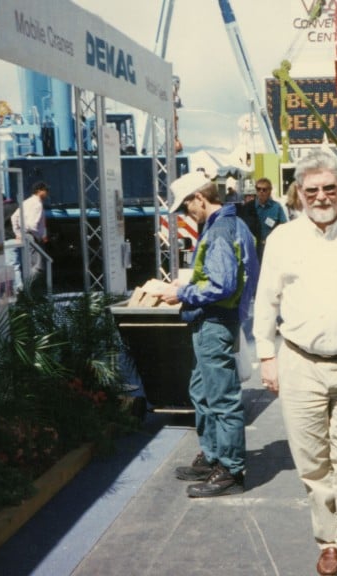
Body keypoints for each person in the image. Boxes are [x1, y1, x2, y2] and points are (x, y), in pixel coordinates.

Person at [253, 152, 337, 576]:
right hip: (299, 363)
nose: (322, 197)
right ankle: (328, 540)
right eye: (312, 190)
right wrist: (266, 355)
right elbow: (266, 300)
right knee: (313, 461)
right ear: (299, 194)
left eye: (329, 188)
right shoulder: (283, 239)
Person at [141, 170, 259, 498]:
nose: (185, 214)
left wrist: (181, 293)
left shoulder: (220, 230)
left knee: (220, 396)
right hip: (219, 320)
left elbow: (221, 284)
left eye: (185, 207)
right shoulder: (233, 225)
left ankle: (230, 469)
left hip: (214, 322)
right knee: (204, 391)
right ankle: (214, 456)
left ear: (199, 198)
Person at [10, 181, 49, 289]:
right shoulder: (37, 204)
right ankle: (31, 292)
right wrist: (39, 236)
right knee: (38, 267)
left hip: (26, 236)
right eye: (46, 190)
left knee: (29, 265)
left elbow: (14, 217)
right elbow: (32, 225)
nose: (47, 193)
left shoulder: (26, 202)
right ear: (39, 191)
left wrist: (18, 233)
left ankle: (29, 292)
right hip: (33, 237)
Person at [253, 177, 287, 261]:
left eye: (264, 189)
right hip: (254, 250)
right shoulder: (250, 207)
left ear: (270, 191)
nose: (261, 192)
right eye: (258, 189)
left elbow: (283, 228)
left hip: (272, 248)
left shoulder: (276, 207)